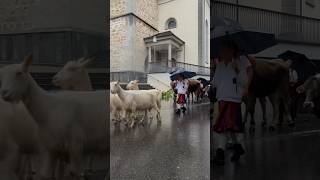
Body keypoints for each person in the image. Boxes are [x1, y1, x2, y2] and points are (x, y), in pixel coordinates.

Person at [211, 39, 253, 166]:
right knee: (227, 127)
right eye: (221, 49)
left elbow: (244, 82)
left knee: (226, 127)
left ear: (231, 50)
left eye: (224, 49)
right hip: (221, 98)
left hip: (233, 100)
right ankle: (237, 148)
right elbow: (215, 83)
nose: (221, 51)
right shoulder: (220, 64)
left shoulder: (240, 62)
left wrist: (238, 71)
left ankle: (221, 154)